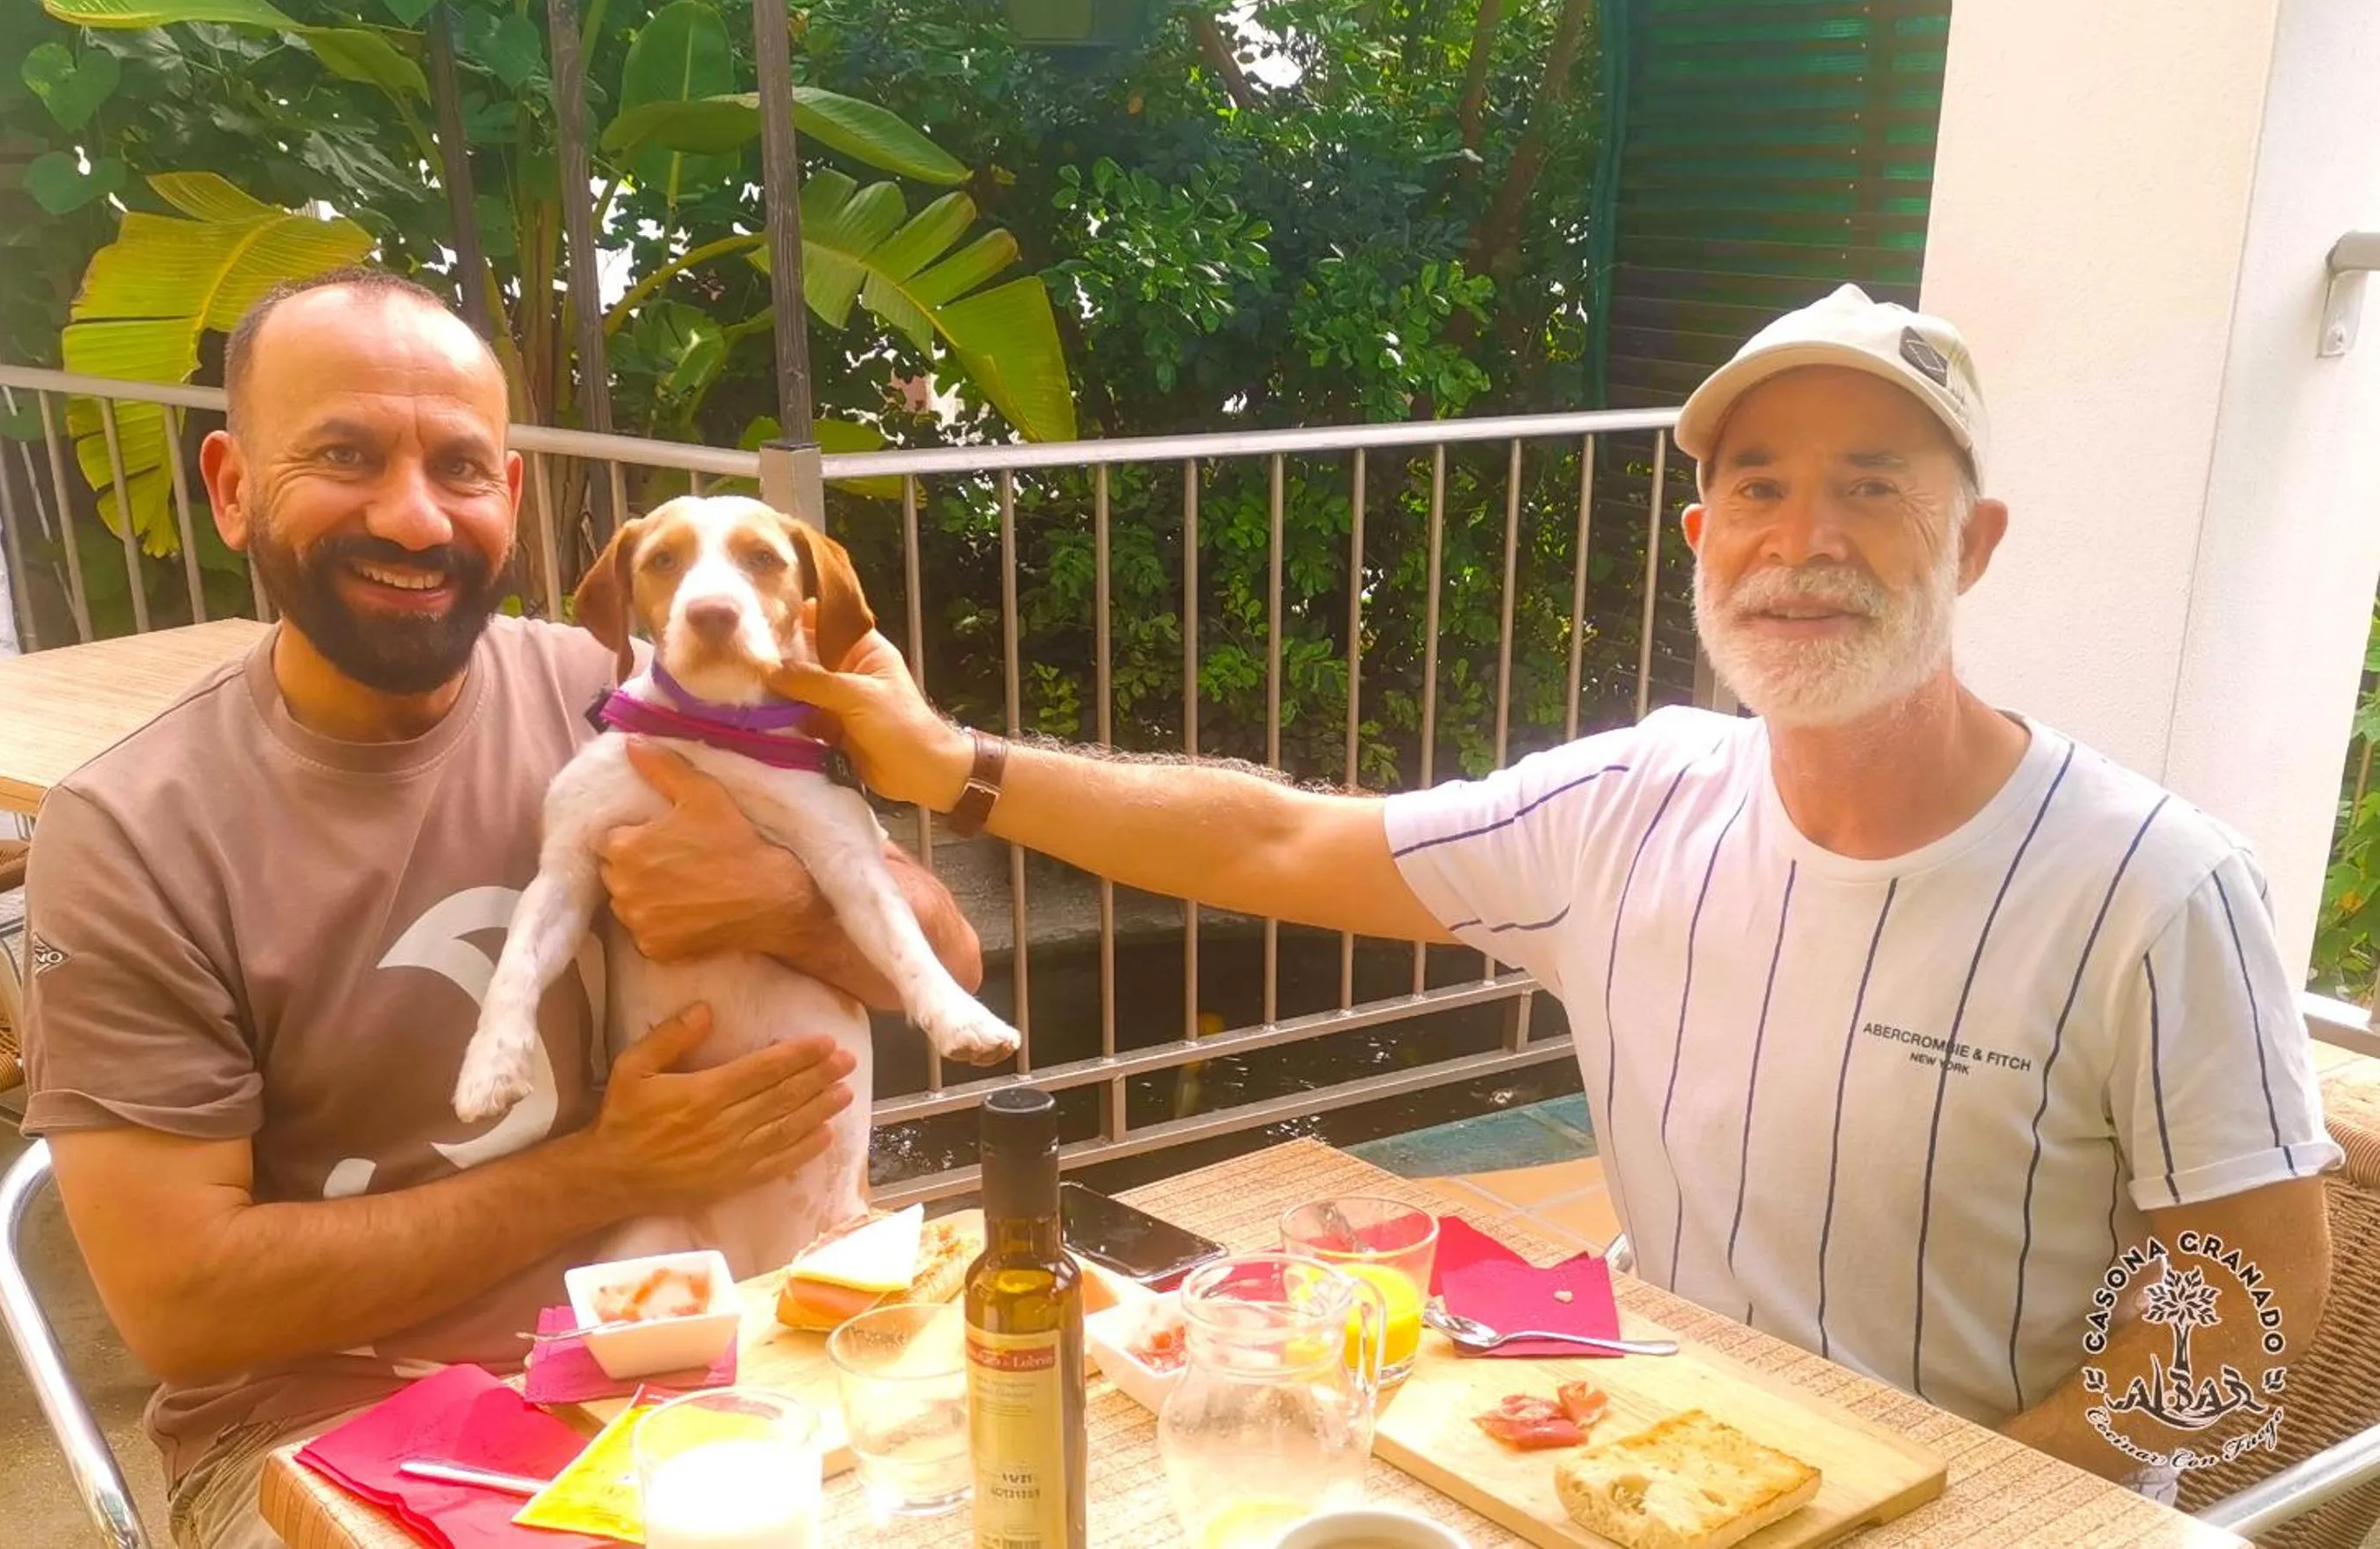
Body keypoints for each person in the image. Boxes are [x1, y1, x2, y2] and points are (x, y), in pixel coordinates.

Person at [698, 284, 2343, 1493]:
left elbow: (2244, 1328)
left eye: (1872, 484)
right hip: (1646, 1468)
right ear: (1700, 536)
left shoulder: (2153, 888)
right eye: (1759, 487)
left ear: (1972, 543)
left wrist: (1948, 1511)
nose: (1802, 537)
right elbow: (1276, 841)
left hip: (1985, 1519)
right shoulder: (1638, 798)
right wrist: (956, 770)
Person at [13, 266, 983, 1549]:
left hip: (707, 1325)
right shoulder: (131, 832)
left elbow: (950, 954)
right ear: (236, 488)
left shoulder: (612, 695)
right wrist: (615, 1170)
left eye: (461, 468)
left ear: (510, 499)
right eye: (345, 455)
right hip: (331, 1418)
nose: (414, 519)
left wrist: (780, 902)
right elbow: (183, 1306)